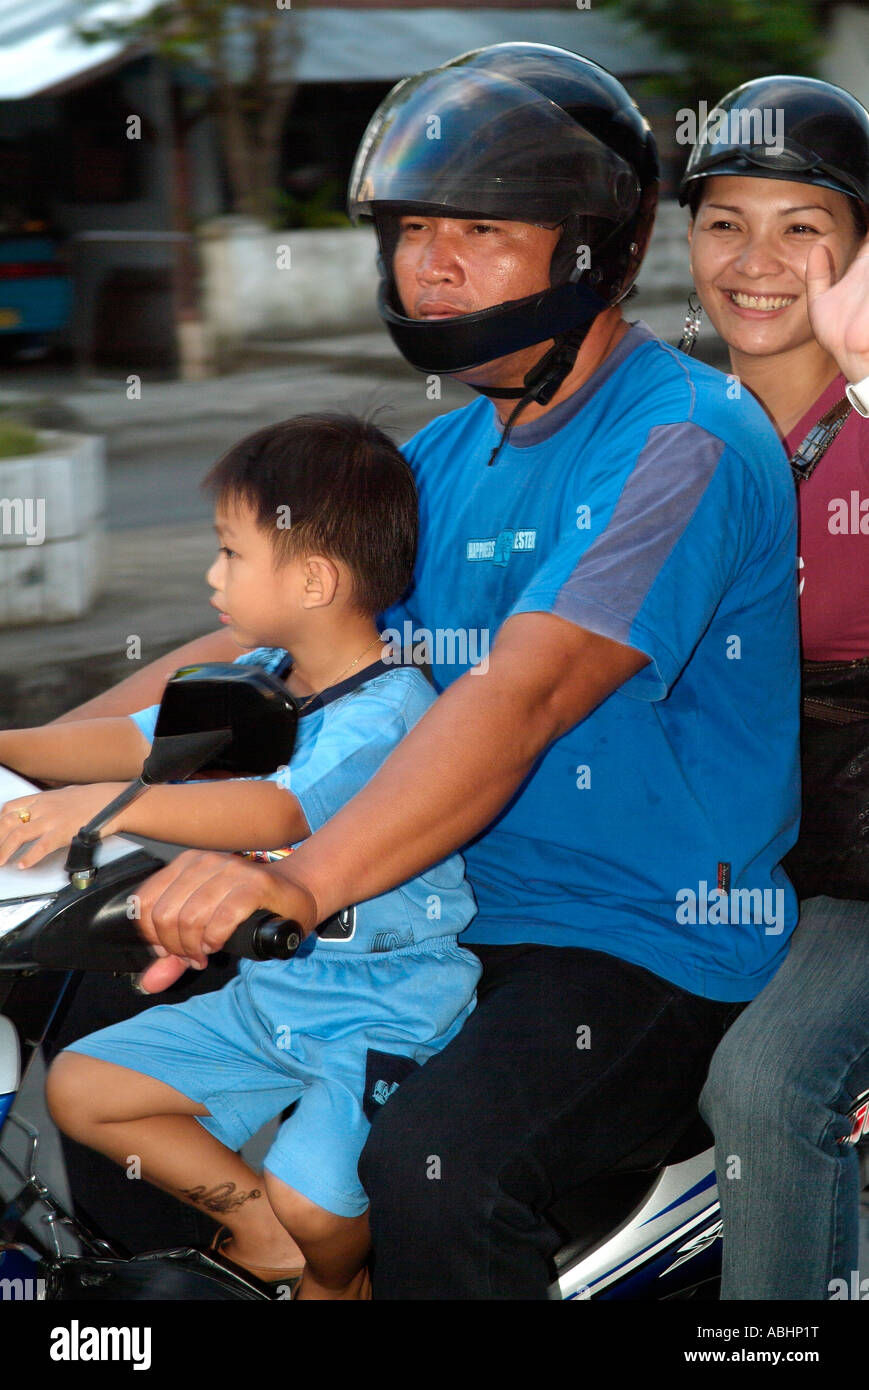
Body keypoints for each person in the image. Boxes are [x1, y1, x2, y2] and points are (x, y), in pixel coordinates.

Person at [54, 44, 802, 1299]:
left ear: (585, 248)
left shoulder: (683, 441)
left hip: (627, 937)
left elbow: (522, 696)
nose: (428, 262)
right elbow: (262, 638)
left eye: (478, 229)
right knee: (93, 1027)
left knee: (438, 1171)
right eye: (409, 228)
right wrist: (21, 769)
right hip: (428, 905)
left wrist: (296, 877)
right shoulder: (441, 453)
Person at [0, 412, 480, 1300]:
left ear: (313, 578)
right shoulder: (262, 678)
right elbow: (129, 740)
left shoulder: (390, 713)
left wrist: (97, 816)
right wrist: (15, 747)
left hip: (383, 1016)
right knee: (86, 1088)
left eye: (230, 553)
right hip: (271, 1000)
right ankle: (259, 1231)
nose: (211, 576)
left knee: (315, 1196)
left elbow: (275, 806)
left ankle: (339, 1285)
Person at [677, 74, 869, 1301]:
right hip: (712, 850)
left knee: (763, 1084)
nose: (754, 261)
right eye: (721, 223)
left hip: (854, 858)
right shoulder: (663, 430)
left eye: (800, 226)